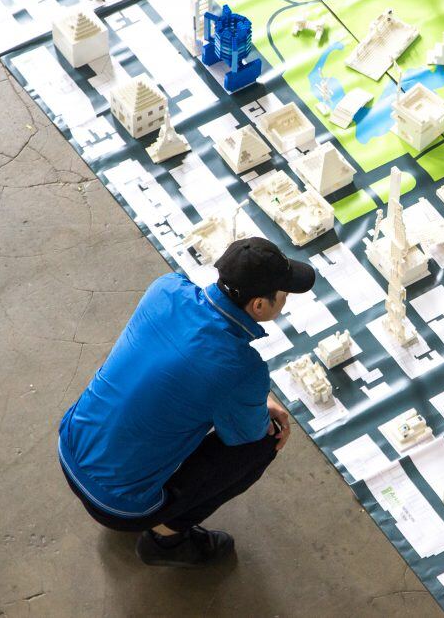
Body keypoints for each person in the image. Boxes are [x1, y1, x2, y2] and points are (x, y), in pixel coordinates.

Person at [58, 237, 316, 567]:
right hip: (118, 508)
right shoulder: (243, 368)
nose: (285, 299)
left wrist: (246, 394)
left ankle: (129, 481)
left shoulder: (165, 288)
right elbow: (246, 434)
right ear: (259, 306)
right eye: (283, 294)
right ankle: (166, 540)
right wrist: (254, 400)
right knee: (266, 439)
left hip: (70, 446)